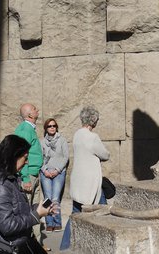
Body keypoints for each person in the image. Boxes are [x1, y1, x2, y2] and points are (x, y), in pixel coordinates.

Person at [0, 134, 54, 253]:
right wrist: (36, 215)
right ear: (13, 157)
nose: (27, 162)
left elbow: (17, 209)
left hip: (20, 243)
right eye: (25, 158)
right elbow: (7, 226)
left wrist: (39, 209)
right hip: (6, 247)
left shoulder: (10, 178)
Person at [60, 106, 109, 250]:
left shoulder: (77, 134)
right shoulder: (92, 137)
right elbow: (105, 154)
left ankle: (65, 246)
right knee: (103, 212)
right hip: (91, 182)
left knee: (75, 213)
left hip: (78, 181)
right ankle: (104, 246)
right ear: (93, 120)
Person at [14, 103, 43, 241]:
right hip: (29, 175)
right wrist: (25, 178)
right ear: (30, 115)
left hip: (34, 174)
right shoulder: (25, 129)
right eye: (34, 109)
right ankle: (27, 243)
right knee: (27, 210)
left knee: (35, 209)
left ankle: (36, 243)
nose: (37, 110)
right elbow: (20, 154)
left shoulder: (30, 129)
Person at [40, 118, 69, 232]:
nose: (52, 128)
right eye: (49, 126)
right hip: (45, 172)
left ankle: (57, 222)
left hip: (59, 172)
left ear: (56, 127)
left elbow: (65, 157)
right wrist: (45, 170)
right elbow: (40, 158)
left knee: (55, 198)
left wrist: (57, 170)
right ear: (46, 128)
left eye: (54, 126)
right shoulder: (41, 142)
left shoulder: (62, 140)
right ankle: (49, 223)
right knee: (47, 197)